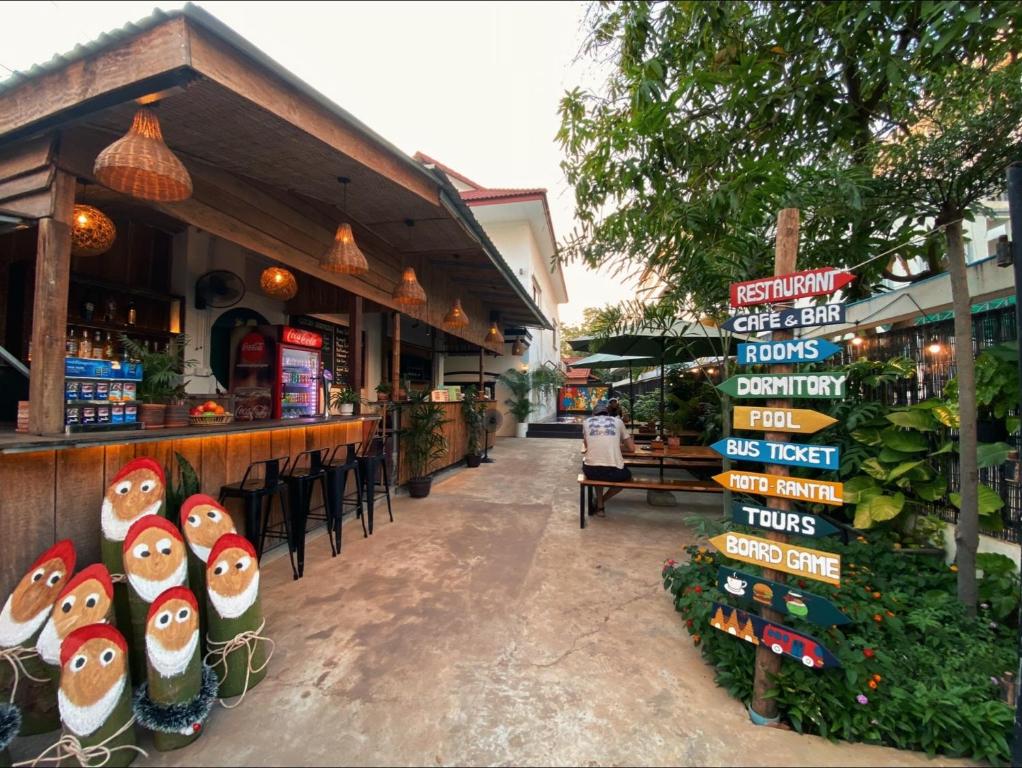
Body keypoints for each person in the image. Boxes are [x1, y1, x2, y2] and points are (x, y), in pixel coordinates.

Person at [582, 402, 635, 516]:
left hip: (590, 470)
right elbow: (631, 448)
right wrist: (616, 445)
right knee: (628, 478)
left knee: (597, 470)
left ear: (593, 414)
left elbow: (587, 446)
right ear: (607, 413)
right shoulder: (618, 421)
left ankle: (600, 505)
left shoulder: (586, 422)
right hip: (614, 471)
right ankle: (601, 500)